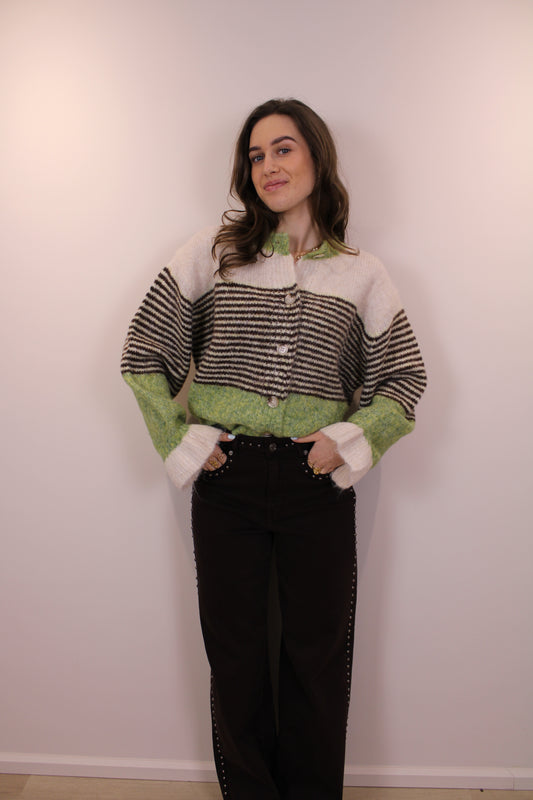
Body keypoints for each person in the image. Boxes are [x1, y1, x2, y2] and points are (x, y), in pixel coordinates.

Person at [121, 98, 426, 800]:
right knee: (236, 661)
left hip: (315, 484)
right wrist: (184, 441)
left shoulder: (361, 274)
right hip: (226, 481)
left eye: (283, 148)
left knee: (316, 661)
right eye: (255, 155)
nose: (268, 166)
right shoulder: (212, 253)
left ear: (317, 156)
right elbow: (143, 353)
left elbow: (404, 378)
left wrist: (347, 441)